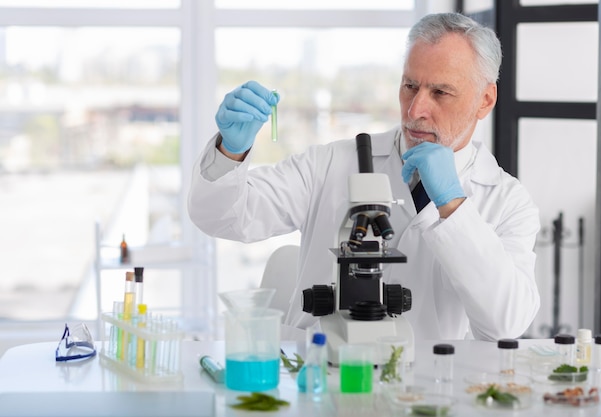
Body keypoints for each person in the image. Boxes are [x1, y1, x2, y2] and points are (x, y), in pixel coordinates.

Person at [188, 12, 540, 341]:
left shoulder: (507, 202)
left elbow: (505, 324)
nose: (416, 110)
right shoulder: (332, 162)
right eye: (409, 86)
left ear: (485, 100)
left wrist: (451, 204)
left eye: (440, 93)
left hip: (425, 392)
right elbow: (221, 218)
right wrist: (230, 151)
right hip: (318, 375)